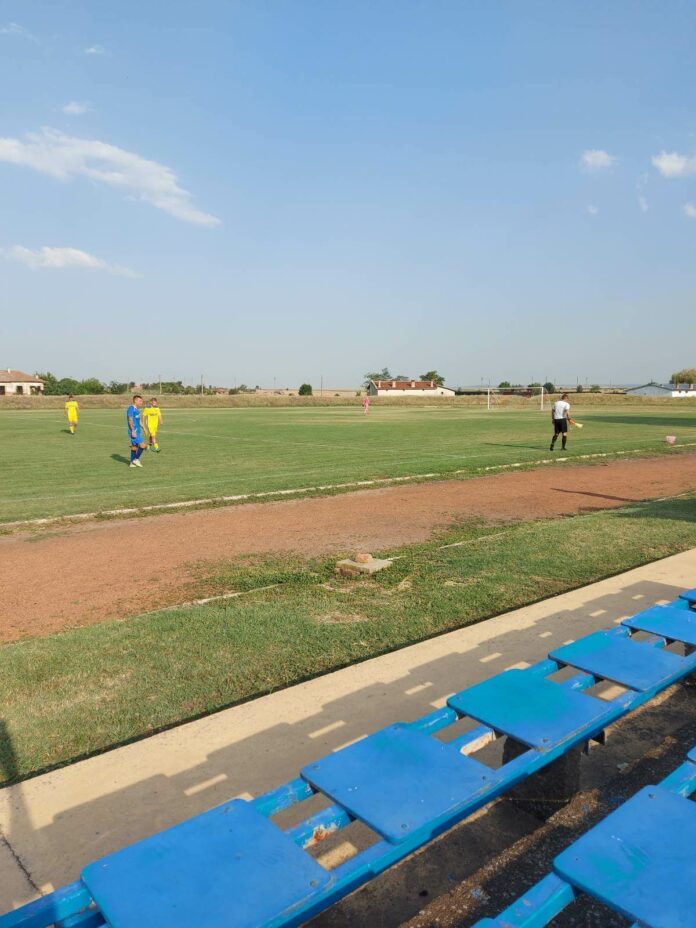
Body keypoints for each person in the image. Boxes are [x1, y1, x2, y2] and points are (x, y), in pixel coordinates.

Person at [127, 394, 147, 468]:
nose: (141, 402)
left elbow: (139, 421)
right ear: (135, 401)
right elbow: (130, 419)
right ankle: (136, 459)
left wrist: (144, 428)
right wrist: (133, 430)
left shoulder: (137, 410)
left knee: (134, 447)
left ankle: (132, 463)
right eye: (140, 401)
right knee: (143, 445)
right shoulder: (131, 408)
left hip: (137, 431)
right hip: (134, 431)